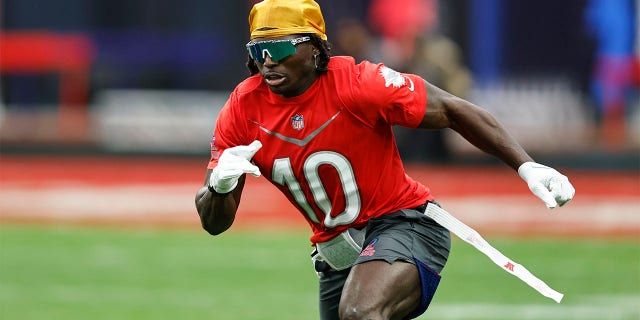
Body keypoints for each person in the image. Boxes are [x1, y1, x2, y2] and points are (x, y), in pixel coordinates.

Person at [194, 1, 576, 319]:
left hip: (405, 223)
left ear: (313, 48)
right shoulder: (243, 108)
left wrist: (528, 166)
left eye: (276, 49)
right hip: (337, 253)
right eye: (257, 51)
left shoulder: (359, 84)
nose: (267, 62)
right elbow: (214, 223)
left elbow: (454, 109)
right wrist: (219, 185)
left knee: (360, 313)